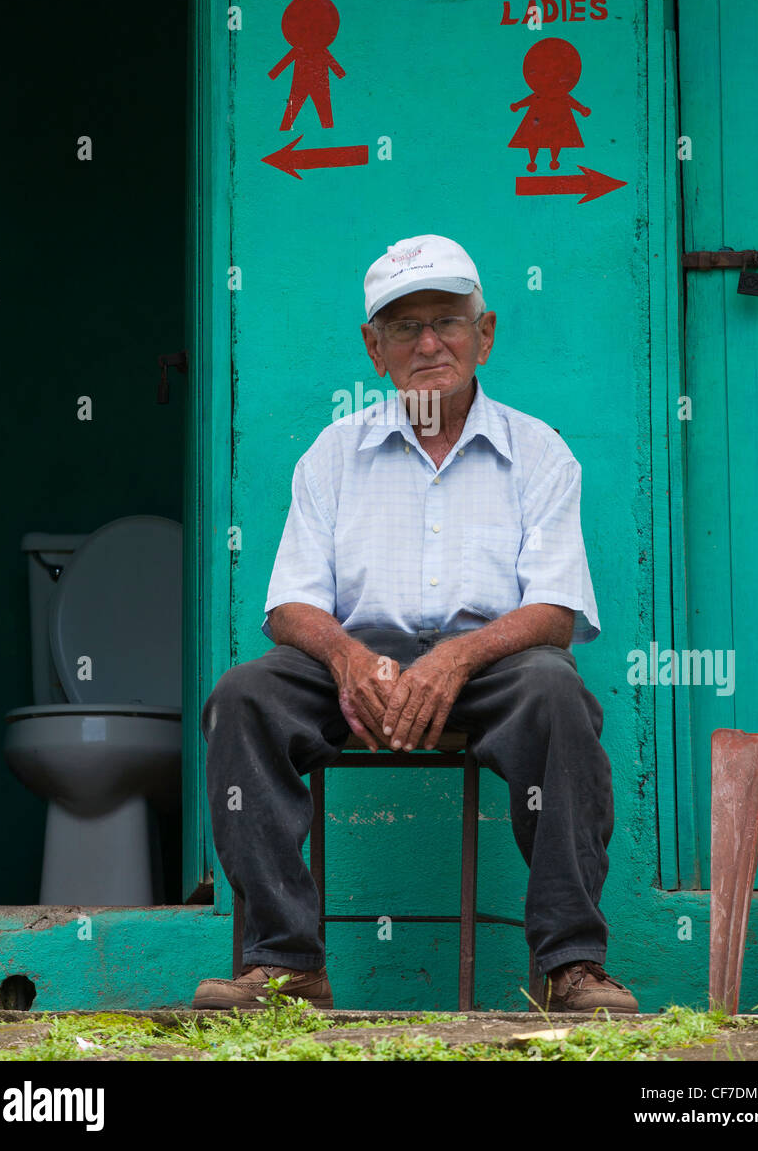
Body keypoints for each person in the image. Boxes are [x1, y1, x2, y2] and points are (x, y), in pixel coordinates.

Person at [193, 233, 638, 1016]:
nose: (429, 343)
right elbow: (290, 604)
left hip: (493, 666)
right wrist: (344, 656)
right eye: (404, 327)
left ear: (485, 333)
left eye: (448, 321)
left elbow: (556, 613)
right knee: (244, 695)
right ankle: (287, 964)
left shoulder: (540, 453)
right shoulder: (333, 453)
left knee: (556, 693)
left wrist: (457, 658)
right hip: (356, 665)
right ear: (375, 348)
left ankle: (571, 964)